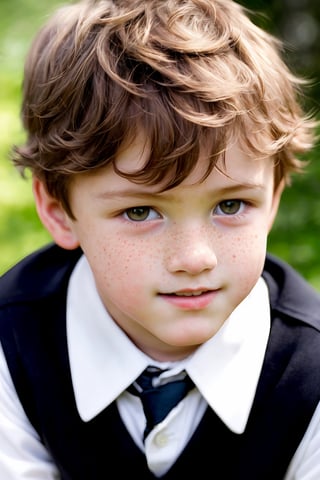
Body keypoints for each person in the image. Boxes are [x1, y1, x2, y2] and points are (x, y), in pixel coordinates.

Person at [0, 0, 320, 478]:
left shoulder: (308, 372)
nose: (195, 258)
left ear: (273, 197)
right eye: (139, 211)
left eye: (230, 206)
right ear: (58, 211)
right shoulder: (13, 348)